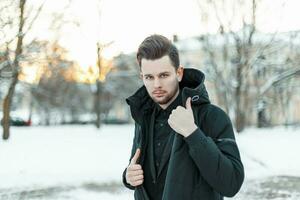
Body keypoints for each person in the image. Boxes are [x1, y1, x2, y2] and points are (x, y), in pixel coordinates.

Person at [122, 34, 244, 200]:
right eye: (149, 77)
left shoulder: (213, 117)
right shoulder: (143, 117)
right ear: (142, 77)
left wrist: (192, 133)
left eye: (164, 75)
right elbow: (135, 166)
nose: (156, 84)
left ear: (179, 73)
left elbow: (231, 184)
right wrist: (128, 176)